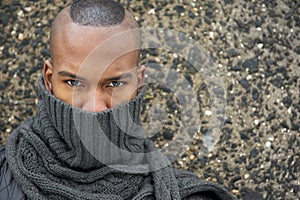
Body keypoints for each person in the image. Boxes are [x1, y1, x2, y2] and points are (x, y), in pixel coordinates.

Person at [0, 0, 236, 199]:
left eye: (114, 84)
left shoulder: (186, 194)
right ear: (49, 79)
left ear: (139, 82)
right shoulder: (4, 174)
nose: (93, 108)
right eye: (73, 83)